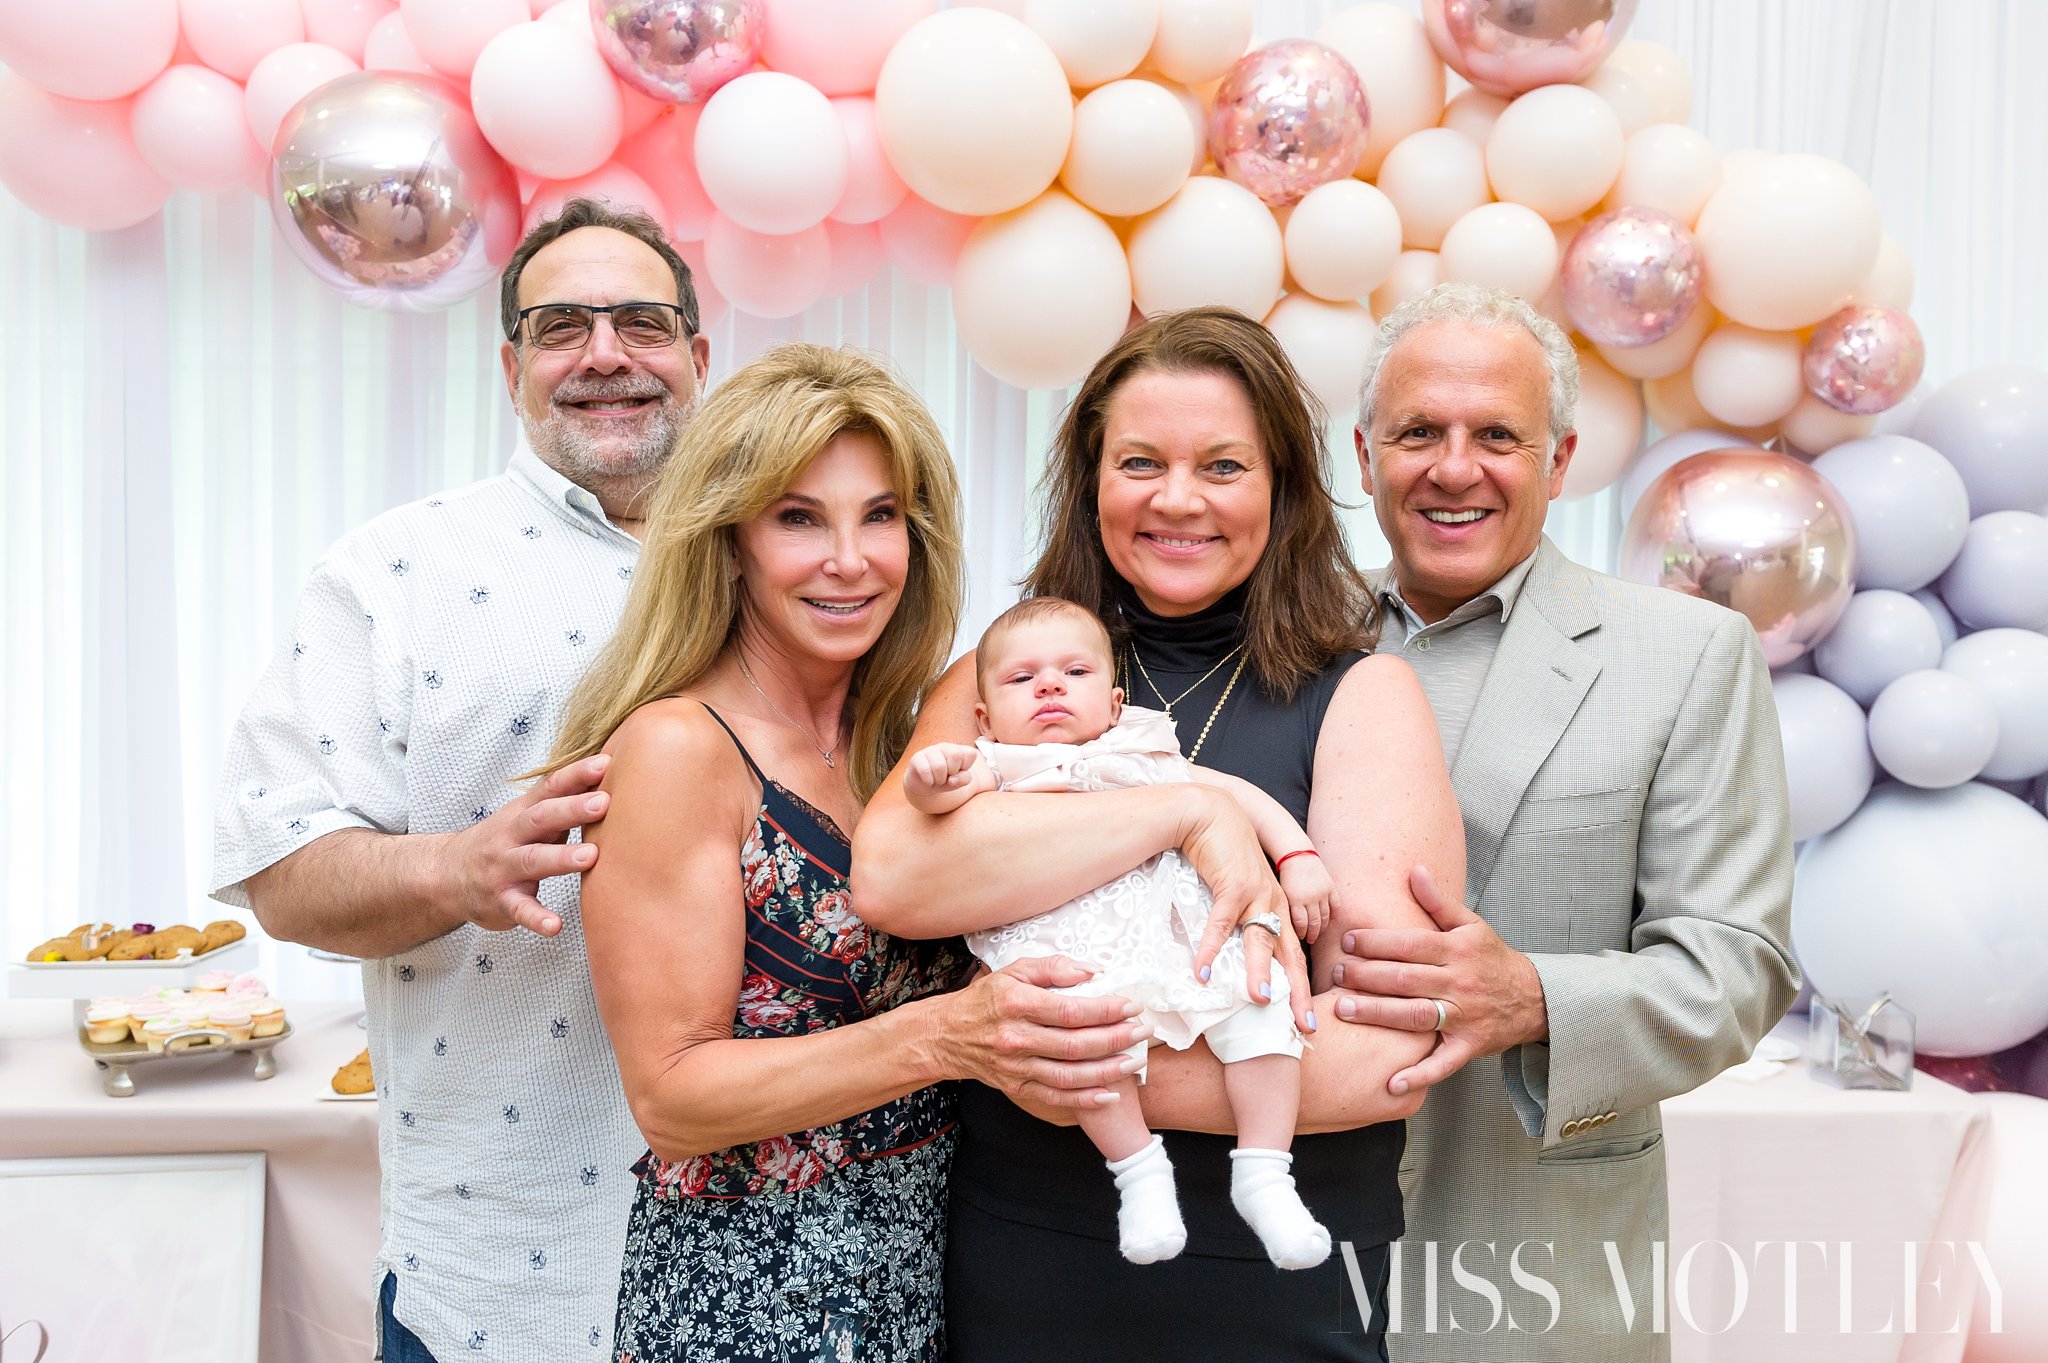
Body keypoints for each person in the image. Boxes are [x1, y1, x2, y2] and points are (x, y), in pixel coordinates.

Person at [854, 306, 1466, 1362]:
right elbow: (897, 878)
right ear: (1090, 479)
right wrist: (1187, 809)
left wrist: (1043, 1062)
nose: (1176, 498)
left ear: (1281, 485)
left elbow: (1380, 1051)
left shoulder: (1362, 693)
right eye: (1139, 460)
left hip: (1274, 1272)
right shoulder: (1010, 676)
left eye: (1222, 464)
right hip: (1024, 1246)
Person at [540, 343, 1147, 1363]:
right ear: (727, 540)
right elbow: (672, 1098)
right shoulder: (679, 746)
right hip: (748, 1304)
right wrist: (950, 1036)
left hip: (921, 1281)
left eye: (879, 516)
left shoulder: (898, 744)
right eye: (797, 518)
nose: (849, 559)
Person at [211, 199, 712, 1362]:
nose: (603, 355)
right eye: (559, 327)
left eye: (641, 323)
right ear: (509, 366)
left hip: (791, 1264)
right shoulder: (396, 571)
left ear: (697, 354)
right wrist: (456, 864)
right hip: (504, 1283)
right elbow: (279, 865)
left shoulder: (798, 557)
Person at [1333, 282, 1799, 1362]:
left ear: (1558, 459)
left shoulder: (1686, 657)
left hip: (1530, 1260)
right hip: (1273, 1265)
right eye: (1417, 433)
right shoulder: (1280, 637)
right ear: (1363, 457)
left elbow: (1737, 965)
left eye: (1496, 434)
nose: (1455, 468)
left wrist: (1529, 995)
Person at [904, 596, 1338, 1269]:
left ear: (1111, 703)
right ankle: (1139, 1175)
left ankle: (1265, 1173)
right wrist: (931, 778)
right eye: (1022, 679)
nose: (1048, 685)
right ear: (986, 718)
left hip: (1180, 937)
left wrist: (1297, 856)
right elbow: (936, 807)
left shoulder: (1139, 748)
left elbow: (1235, 796)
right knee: (1082, 1047)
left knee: (1265, 1011)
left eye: (1072, 671)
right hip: (1068, 951)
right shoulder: (1003, 766)